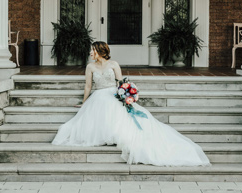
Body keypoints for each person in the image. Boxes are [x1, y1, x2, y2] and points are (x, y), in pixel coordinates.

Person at [52, 41, 211, 167]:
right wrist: (84, 103)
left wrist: (127, 94)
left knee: (123, 117)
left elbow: (120, 83)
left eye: (92, 50)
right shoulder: (90, 67)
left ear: (99, 51)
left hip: (113, 94)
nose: (90, 52)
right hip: (98, 96)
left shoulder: (114, 64)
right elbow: (88, 86)